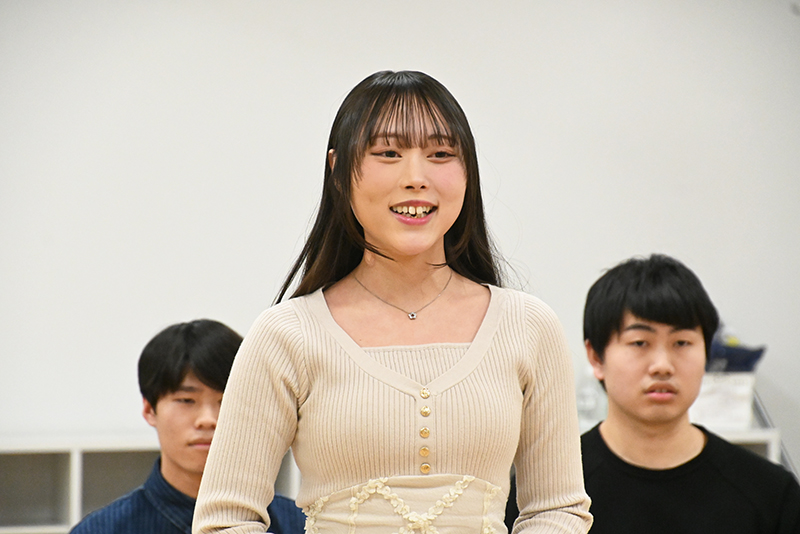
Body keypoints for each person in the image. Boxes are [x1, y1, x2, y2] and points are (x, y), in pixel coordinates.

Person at [193, 70, 592, 534]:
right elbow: (226, 519)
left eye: (441, 154)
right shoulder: (286, 335)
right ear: (338, 170)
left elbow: (557, 510)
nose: (416, 178)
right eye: (388, 153)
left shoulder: (528, 326)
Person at [581, 254, 800, 534]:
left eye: (682, 342)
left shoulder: (772, 495)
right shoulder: (554, 491)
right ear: (596, 357)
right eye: (639, 343)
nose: (662, 366)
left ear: (706, 352)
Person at [70, 319, 305, 534]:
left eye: (226, 401)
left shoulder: (302, 525)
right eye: (186, 400)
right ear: (150, 410)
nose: (208, 419)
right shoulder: (102, 530)